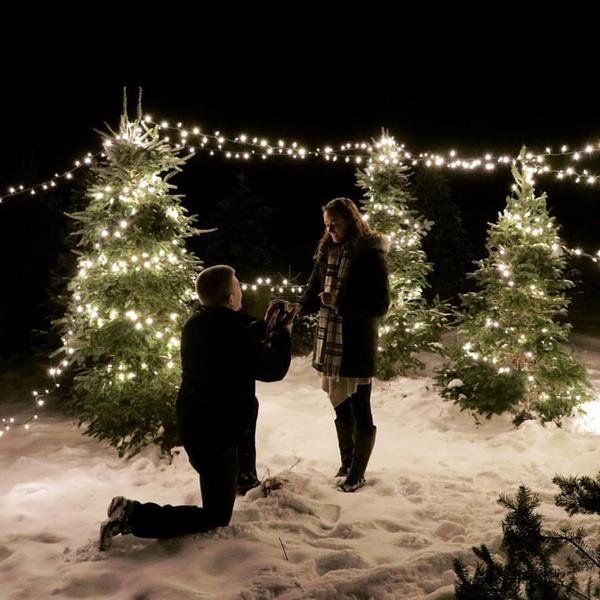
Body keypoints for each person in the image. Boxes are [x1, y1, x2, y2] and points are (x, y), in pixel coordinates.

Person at [99, 265, 294, 550]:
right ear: (229, 298)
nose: (241, 289)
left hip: (196, 424)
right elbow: (273, 368)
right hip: (218, 433)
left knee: (241, 426)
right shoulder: (233, 332)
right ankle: (132, 515)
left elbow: (237, 331)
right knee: (216, 516)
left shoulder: (195, 326)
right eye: (237, 285)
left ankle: (244, 479)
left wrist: (265, 325)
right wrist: (283, 332)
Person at [297, 197, 389, 492]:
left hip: (356, 342)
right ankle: (346, 462)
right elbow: (313, 291)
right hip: (331, 342)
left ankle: (357, 473)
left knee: (361, 407)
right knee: (340, 406)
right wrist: (296, 309)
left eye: (335, 223)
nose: (331, 228)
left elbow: (380, 304)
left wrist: (340, 303)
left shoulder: (369, 255)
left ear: (351, 219)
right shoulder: (327, 251)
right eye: (327, 224)